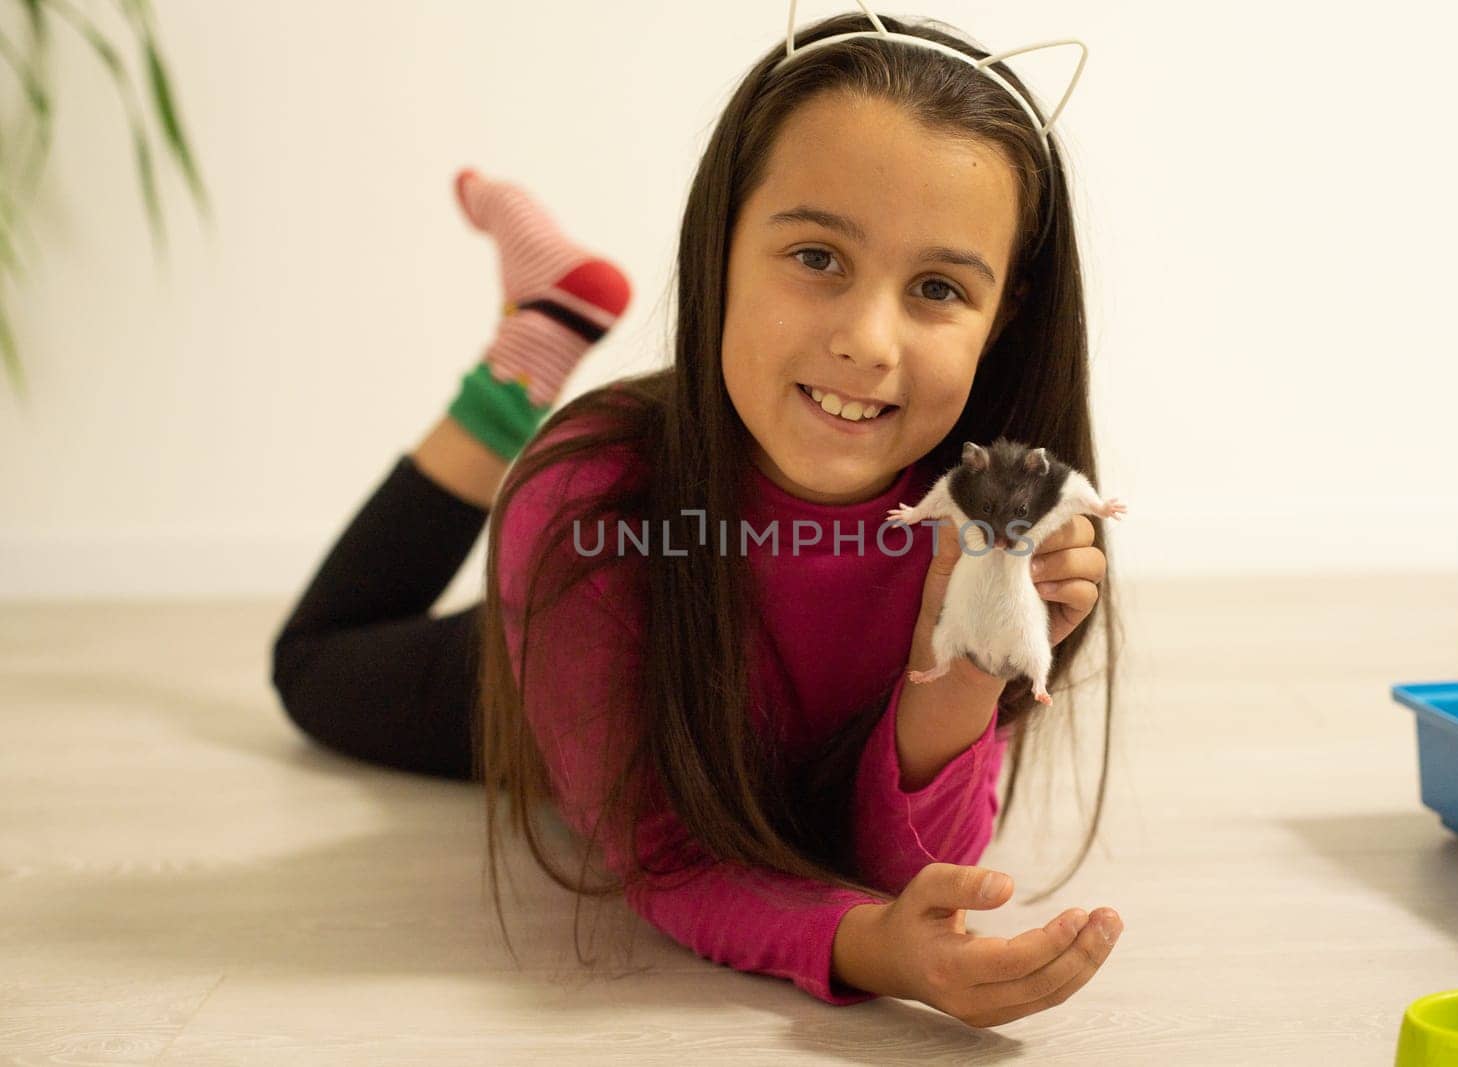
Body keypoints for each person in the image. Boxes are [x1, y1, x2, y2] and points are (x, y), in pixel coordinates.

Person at [272, 8, 1124, 1030]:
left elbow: (898, 863)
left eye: (937, 287)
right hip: (584, 647)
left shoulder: (994, 526)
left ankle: (545, 320)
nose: (865, 339)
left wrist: (971, 651)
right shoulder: (592, 508)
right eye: (816, 257)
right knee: (313, 668)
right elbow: (667, 855)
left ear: (1006, 318)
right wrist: (867, 946)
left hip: (733, 717)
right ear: (721, 243)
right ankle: (525, 359)